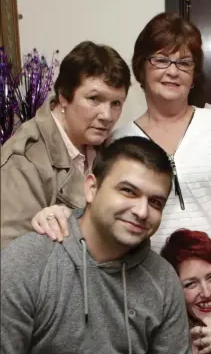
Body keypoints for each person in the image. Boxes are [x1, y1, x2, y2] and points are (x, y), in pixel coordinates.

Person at [32, 12, 211, 307]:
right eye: (161, 59)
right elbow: (97, 211)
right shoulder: (117, 140)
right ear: (142, 67)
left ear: (194, 73)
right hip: (151, 290)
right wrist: (55, 214)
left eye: (184, 62)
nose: (173, 71)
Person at [0, 136, 196, 354]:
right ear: (91, 188)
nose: (142, 211)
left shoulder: (162, 279)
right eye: (128, 191)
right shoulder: (28, 263)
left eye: (155, 202)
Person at [1, 40, 131, 248]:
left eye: (116, 103)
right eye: (94, 99)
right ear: (63, 96)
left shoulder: (107, 146)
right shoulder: (23, 159)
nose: (107, 116)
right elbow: (12, 263)